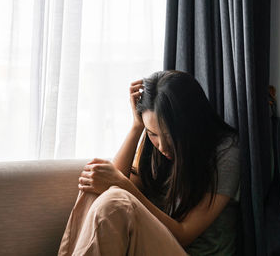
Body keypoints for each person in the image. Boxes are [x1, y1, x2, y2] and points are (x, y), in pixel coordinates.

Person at [57, 70, 240, 256]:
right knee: (96, 183)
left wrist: (123, 185)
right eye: (153, 134)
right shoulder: (154, 146)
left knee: (114, 199)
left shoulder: (226, 152)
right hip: (151, 247)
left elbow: (184, 235)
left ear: (190, 125)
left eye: (170, 136)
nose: (162, 146)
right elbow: (109, 187)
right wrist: (137, 127)